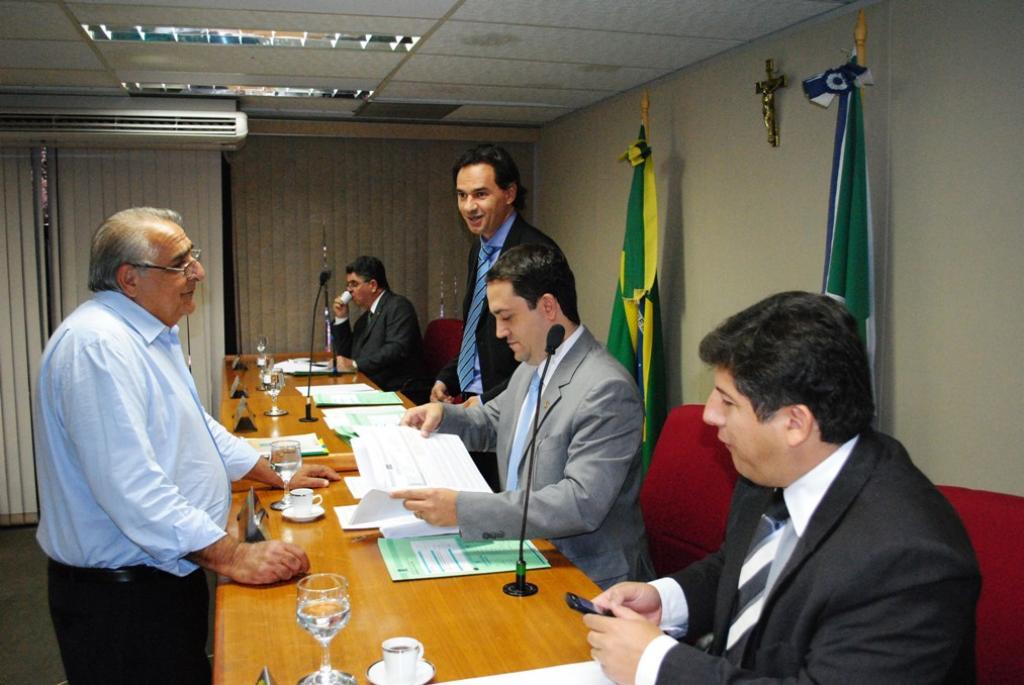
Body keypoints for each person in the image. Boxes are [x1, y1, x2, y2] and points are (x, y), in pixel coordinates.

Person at [584, 291, 980, 684]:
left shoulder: (909, 562)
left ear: (795, 423)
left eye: (728, 401)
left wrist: (657, 665)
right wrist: (668, 600)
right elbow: (739, 567)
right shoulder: (769, 472)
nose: (709, 414)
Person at [34, 207, 340, 684]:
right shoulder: (96, 346)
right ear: (129, 278)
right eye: (180, 263)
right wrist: (233, 555)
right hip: (122, 602)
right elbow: (131, 490)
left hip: (165, 577)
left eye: (191, 257)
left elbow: (196, 429)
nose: (197, 271)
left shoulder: (149, 336)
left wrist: (276, 474)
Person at [395, 244, 653, 589]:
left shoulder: (606, 389)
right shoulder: (533, 366)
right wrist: (443, 416)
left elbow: (580, 503)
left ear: (547, 306)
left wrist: (464, 510)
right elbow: (492, 423)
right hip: (527, 553)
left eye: (507, 317)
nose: (500, 332)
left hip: (587, 576)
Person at [432, 143, 559, 406]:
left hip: (513, 406)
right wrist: (447, 379)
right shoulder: (479, 248)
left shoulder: (538, 253)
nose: (469, 207)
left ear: (509, 193)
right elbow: (477, 333)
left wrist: (487, 401)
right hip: (473, 402)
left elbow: (546, 353)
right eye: (461, 195)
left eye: (480, 194)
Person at [331, 255, 425, 400]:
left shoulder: (399, 307)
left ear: (373, 285)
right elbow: (347, 356)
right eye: (348, 285)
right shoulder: (364, 320)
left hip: (398, 391)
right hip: (371, 387)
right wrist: (341, 317)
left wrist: (355, 364)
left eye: (354, 284)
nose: (349, 291)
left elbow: (396, 349)